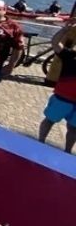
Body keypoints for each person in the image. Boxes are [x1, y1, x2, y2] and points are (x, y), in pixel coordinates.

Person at [38, 19, 76, 152]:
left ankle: (67, 151)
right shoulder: (71, 56)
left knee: (74, 129)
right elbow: (55, 43)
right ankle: (40, 142)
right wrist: (65, 30)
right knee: (49, 120)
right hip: (62, 97)